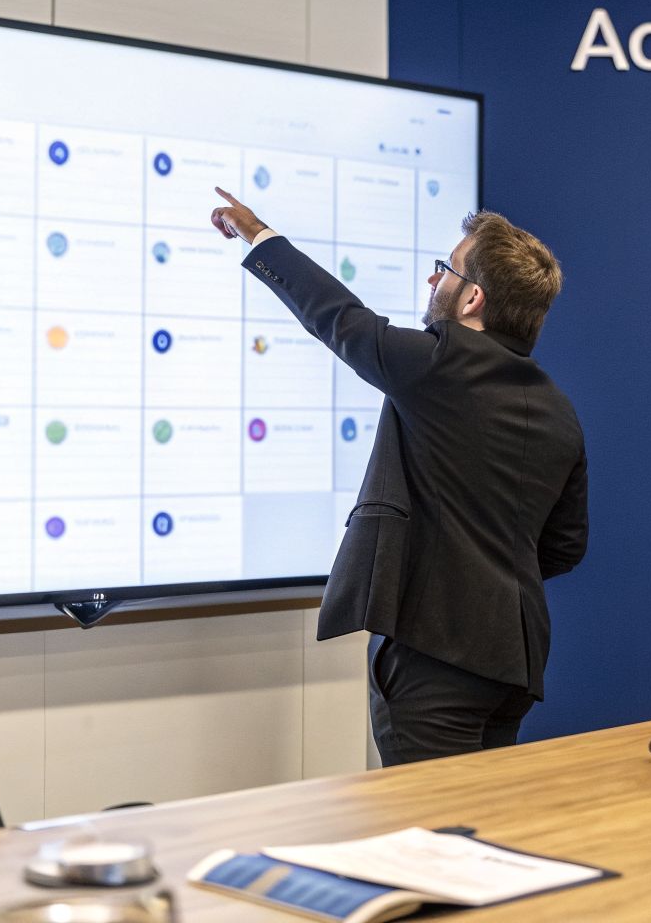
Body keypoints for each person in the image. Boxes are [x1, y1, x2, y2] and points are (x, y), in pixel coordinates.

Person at [210, 187, 588, 765]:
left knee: (429, 818)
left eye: (447, 270)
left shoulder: (441, 364)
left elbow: (340, 320)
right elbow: (564, 547)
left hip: (437, 657)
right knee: (486, 814)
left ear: (473, 298)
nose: (434, 280)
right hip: (514, 664)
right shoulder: (559, 409)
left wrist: (260, 236)